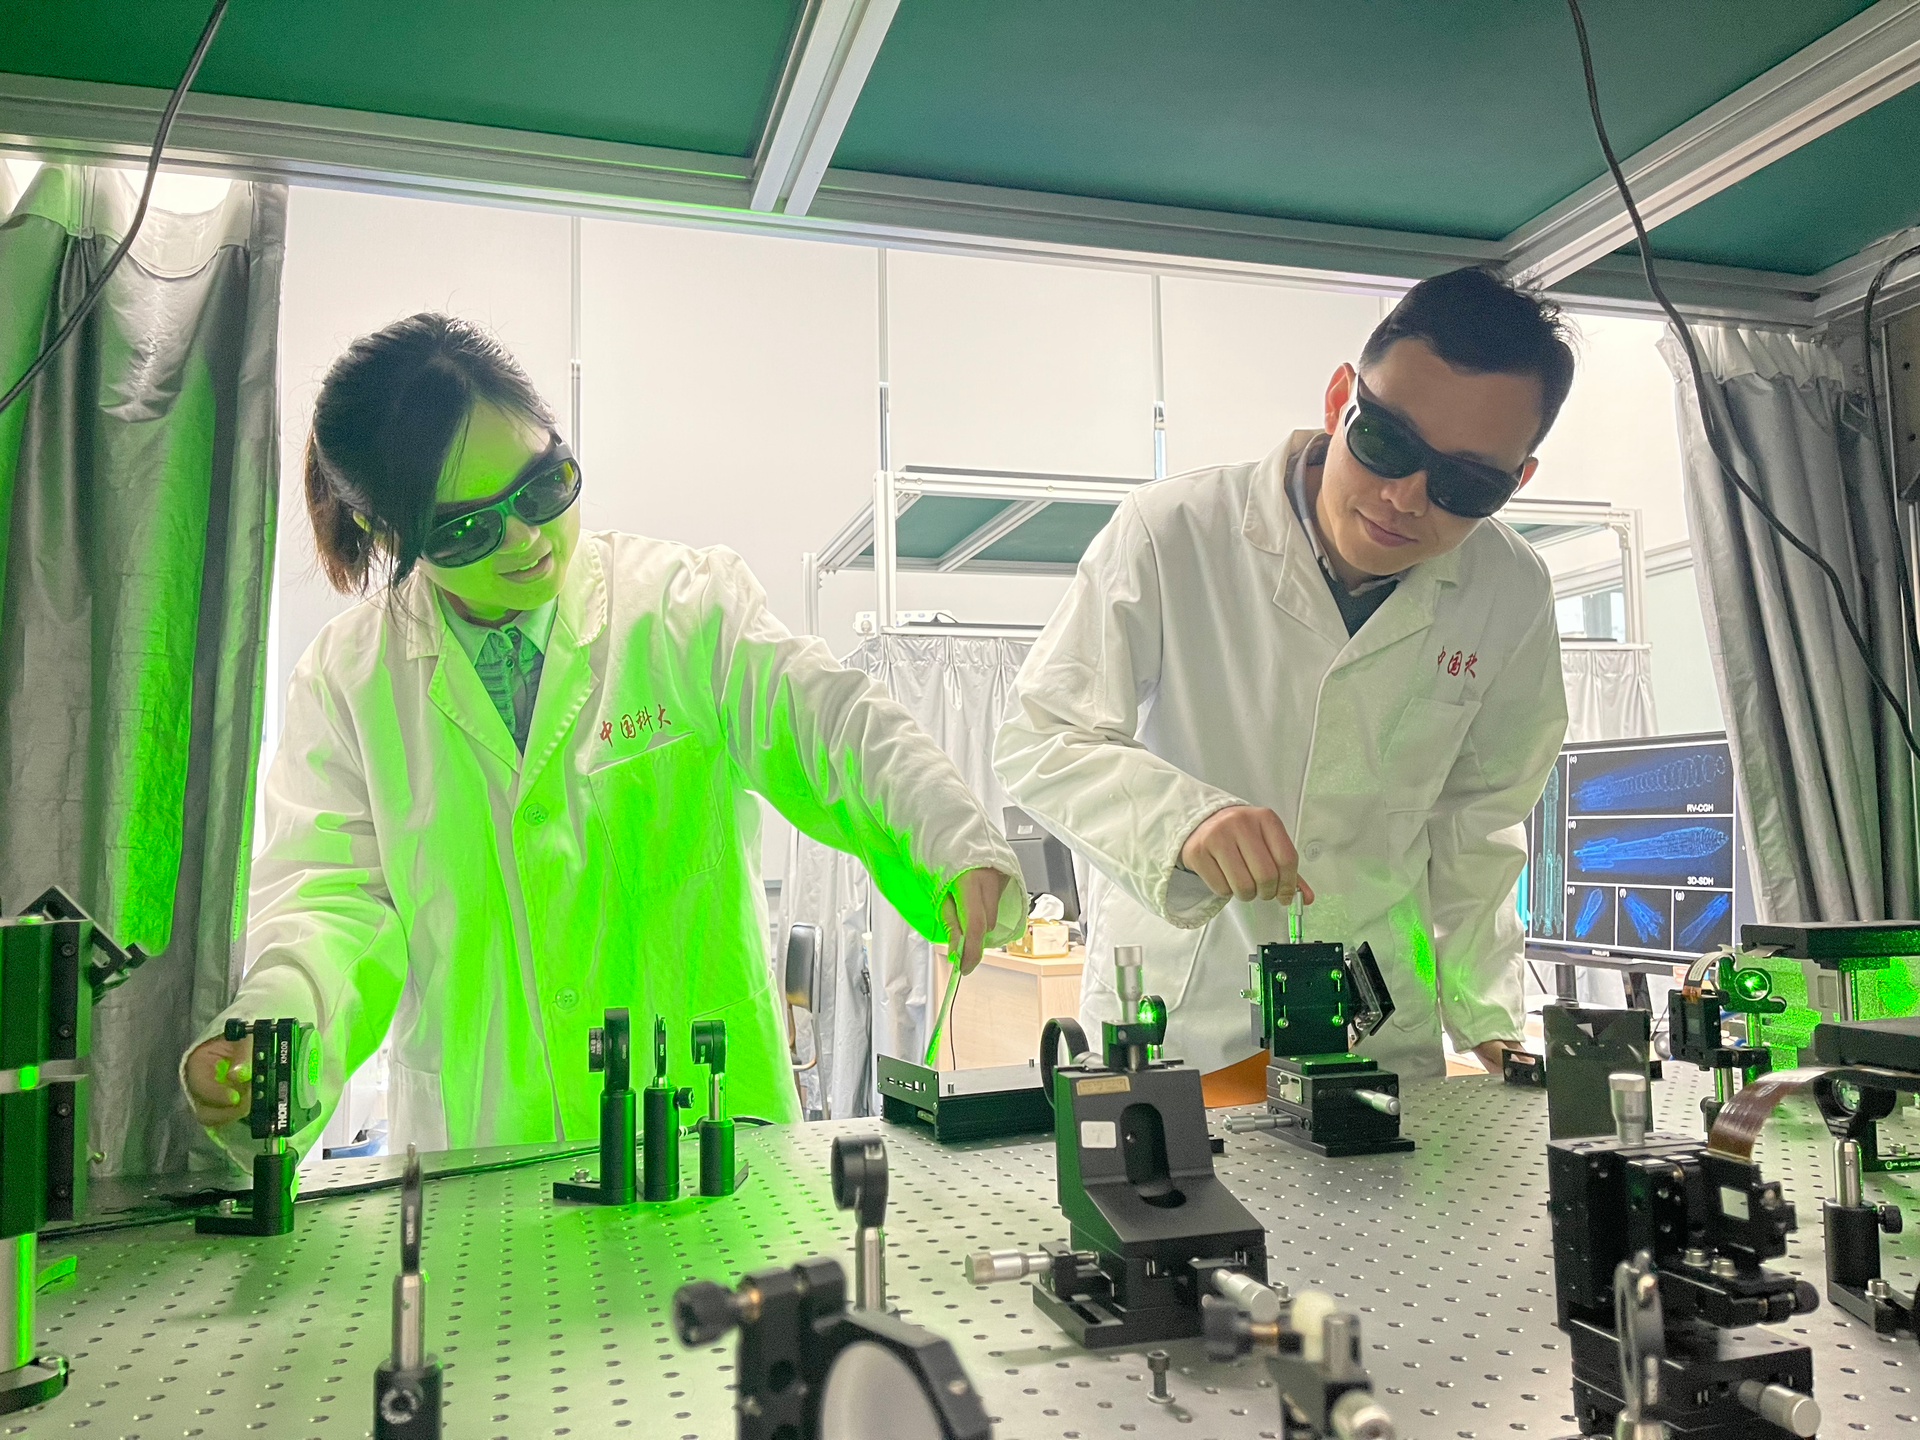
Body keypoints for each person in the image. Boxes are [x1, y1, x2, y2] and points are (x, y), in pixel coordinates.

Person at [182, 313, 1022, 1156]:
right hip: (486, 1151)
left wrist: (947, 833)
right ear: (387, 536)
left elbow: (827, 721)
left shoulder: (683, 608)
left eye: (543, 487)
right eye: (466, 529)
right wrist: (276, 1026)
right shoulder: (349, 680)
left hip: (708, 1137)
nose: (526, 541)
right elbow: (331, 903)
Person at [994, 267, 1573, 1102]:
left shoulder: (1509, 591)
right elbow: (1042, 734)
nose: (1405, 498)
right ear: (1342, 396)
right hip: (1188, 1020)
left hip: (1381, 1030)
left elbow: (1479, 819)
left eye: (1465, 485)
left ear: (1516, 483)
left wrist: (1485, 1016)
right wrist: (1185, 821)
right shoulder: (1174, 533)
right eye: (1386, 444)